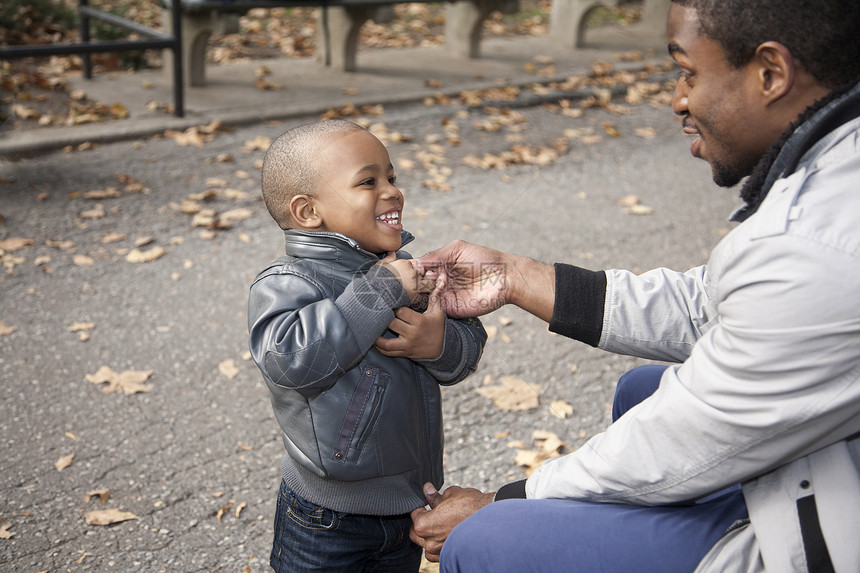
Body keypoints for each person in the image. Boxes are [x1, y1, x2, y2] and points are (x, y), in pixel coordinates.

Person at [409, 0, 860, 571]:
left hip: (831, 530)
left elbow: (686, 440)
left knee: (486, 541)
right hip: (826, 464)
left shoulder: (814, 243)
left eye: (689, 72)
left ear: (771, 73)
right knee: (643, 389)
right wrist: (514, 277)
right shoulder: (835, 174)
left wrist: (503, 501)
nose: (677, 99)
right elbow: (709, 308)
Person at [247, 119, 487, 572]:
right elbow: (292, 361)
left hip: (410, 504)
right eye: (368, 181)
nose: (393, 190)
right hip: (325, 518)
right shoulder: (290, 282)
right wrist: (381, 289)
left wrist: (438, 345)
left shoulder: (407, 269)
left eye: (392, 177)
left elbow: (468, 346)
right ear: (307, 211)